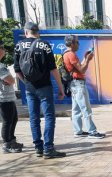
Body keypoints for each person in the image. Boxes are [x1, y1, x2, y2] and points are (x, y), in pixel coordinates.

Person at [14, 22, 66, 159]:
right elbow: (53, 69)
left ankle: (38, 148)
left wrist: (26, 82)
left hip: (30, 88)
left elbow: (17, 70)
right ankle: (48, 148)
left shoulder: (18, 46)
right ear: (38, 32)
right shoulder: (44, 45)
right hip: (45, 87)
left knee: (34, 118)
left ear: (26, 32)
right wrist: (61, 88)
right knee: (49, 117)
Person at [63, 35, 105, 139]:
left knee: (76, 109)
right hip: (78, 84)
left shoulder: (66, 53)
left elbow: (79, 67)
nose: (78, 44)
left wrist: (86, 58)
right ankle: (92, 131)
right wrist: (89, 60)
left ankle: (78, 131)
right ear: (72, 43)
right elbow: (82, 70)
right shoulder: (71, 55)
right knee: (86, 108)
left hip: (74, 84)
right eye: (77, 42)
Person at [0, 40, 23, 153]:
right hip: (3, 98)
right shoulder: (0, 67)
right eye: (2, 48)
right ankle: (7, 144)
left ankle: (11, 140)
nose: (4, 50)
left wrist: (10, 80)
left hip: (8, 97)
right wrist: (11, 79)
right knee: (7, 121)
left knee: (13, 119)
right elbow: (11, 80)